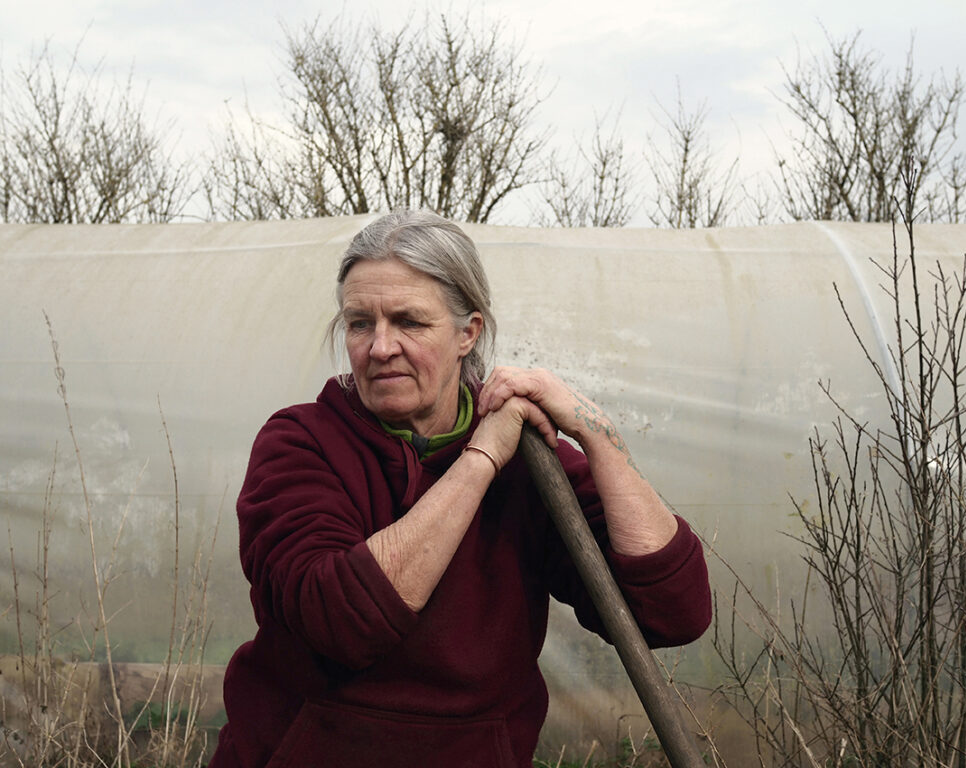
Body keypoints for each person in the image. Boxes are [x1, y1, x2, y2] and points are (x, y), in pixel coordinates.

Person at [209, 209, 711, 768]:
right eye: (359, 323)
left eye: (409, 322)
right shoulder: (301, 443)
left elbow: (673, 613)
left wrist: (596, 433)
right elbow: (343, 622)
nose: (379, 347)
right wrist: (481, 459)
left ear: (468, 332)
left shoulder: (532, 461)